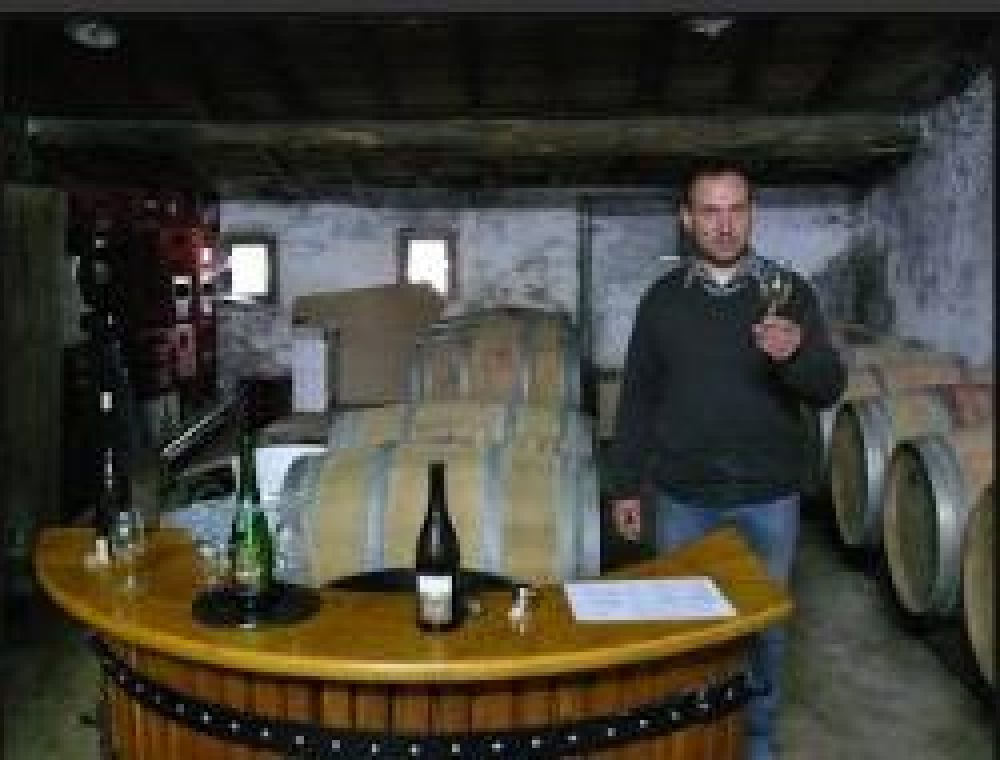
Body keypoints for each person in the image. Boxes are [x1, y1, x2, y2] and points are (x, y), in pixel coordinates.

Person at [609, 159, 845, 760]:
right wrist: (624, 486)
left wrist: (795, 355)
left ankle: (757, 742)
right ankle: (688, 741)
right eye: (710, 211)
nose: (724, 224)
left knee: (764, 630)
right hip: (683, 497)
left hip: (769, 496)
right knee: (684, 632)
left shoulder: (789, 293)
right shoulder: (662, 301)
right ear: (687, 219)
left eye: (736, 209)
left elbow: (828, 387)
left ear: (751, 214)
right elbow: (637, 398)